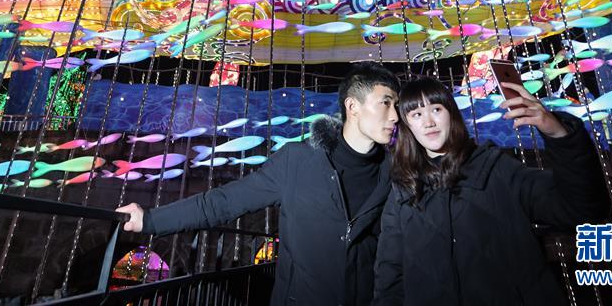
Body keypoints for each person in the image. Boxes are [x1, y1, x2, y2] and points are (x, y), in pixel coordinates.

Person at [117, 62, 400, 306]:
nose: (395, 116)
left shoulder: (395, 173)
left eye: (396, 105)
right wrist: (150, 220)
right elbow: (222, 203)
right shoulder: (297, 162)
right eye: (385, 103)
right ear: (353, 106)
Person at [373, 77, 609, 306]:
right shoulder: (404, 191)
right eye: (416, 114)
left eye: (436, 109)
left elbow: (581, 208)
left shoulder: (495, 168)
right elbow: (390, 275)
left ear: (451, 113)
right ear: (407, 125)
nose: (428, 122)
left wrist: (559, 135)